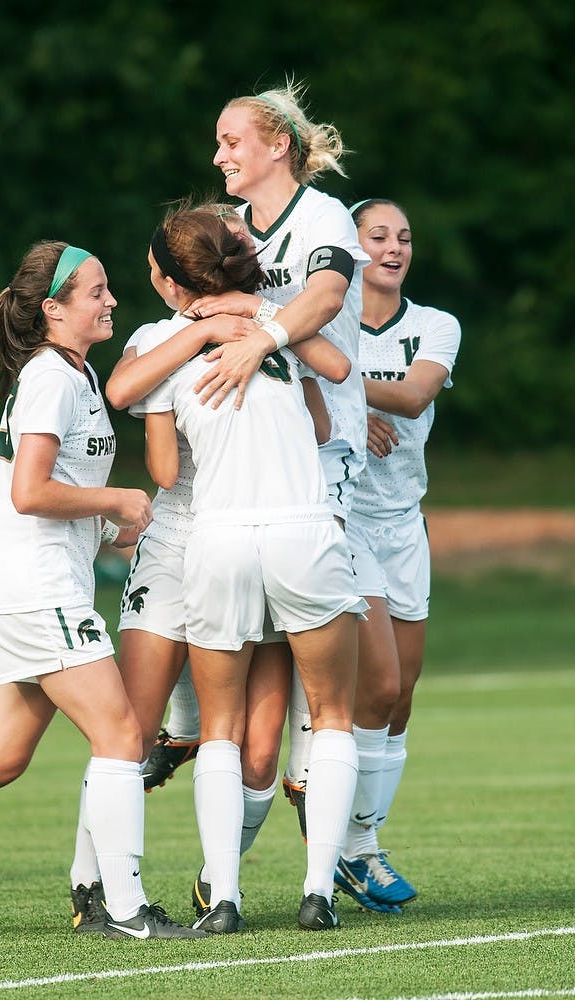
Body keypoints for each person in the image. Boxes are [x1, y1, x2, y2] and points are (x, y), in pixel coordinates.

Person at [0, 241, 205, 942]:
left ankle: (110, 901)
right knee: (121, 735)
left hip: (30, 585)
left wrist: (110, 530)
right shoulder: (52, 377)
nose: (110, 301)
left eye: (107, 289)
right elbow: (30, 490)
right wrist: (118, 499)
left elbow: (49, 495)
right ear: (53, 309)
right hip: (39, 590)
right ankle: (124, 909)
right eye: (95, 291)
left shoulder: (72, 375)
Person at [143, 80, 371, 819]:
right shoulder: (231, 227)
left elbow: (329, 300)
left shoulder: (325, 216)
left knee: (360, 685)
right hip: (241, 462)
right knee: (251, 722)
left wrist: (258, 330)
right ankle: (226, 870)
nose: (219, 156)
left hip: (321, 456)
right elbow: (190, 295)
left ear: (279, 145)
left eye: (231, 140)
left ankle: (332, 815)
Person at [138, 202, 368, 934]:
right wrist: (264, 314)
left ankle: (227, 901)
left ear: (171, 281)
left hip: (220, 538)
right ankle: (318, 894)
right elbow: (336, 377)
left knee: (224, 728)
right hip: (304, 531)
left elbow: (165, 467)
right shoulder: (280, 324)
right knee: (332, 717)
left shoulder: (162, 341)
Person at [328, 198, 461, 913]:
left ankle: (359, 845)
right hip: (340, 523)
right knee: (374, 687)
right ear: (350, 245)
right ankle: (349, 848)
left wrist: (355, 397)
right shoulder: (323, 316)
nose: (394, 246)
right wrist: (353, 410)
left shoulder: (436, 325)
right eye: (377, 235)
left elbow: (413, 396)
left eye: (404, 237)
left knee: (400, 700)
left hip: (404, 525)